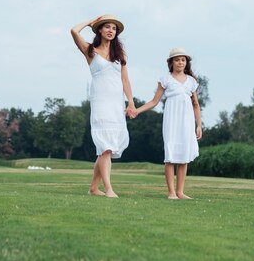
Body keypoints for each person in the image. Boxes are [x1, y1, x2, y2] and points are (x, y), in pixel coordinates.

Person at [70, 14, 136, 198]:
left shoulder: (119, 55)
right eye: (106, 27)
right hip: (100, 103)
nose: (110, 30)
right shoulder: (90, 51)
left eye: (114, 28)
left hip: (116, 103)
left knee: (108, 148)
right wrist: (90, 22)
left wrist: (130, 102)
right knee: (105, 146)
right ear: (100, 29)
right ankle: (108, 188)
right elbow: (74, 31)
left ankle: (93, 188)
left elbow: (125, 80)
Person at [133, 47, 202, 199]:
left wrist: (199, 125)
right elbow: (154, 101)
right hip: (171, 120)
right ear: (171, 62)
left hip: (187, 122)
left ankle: (180, 192)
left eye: (183, 60)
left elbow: (196, 105)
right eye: (177, 59)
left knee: (184, 155)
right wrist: (137, 110)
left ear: (186, 62)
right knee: (170, 155)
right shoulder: (165, 79)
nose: (180, 62)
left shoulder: (191, 81)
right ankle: (171, 192)